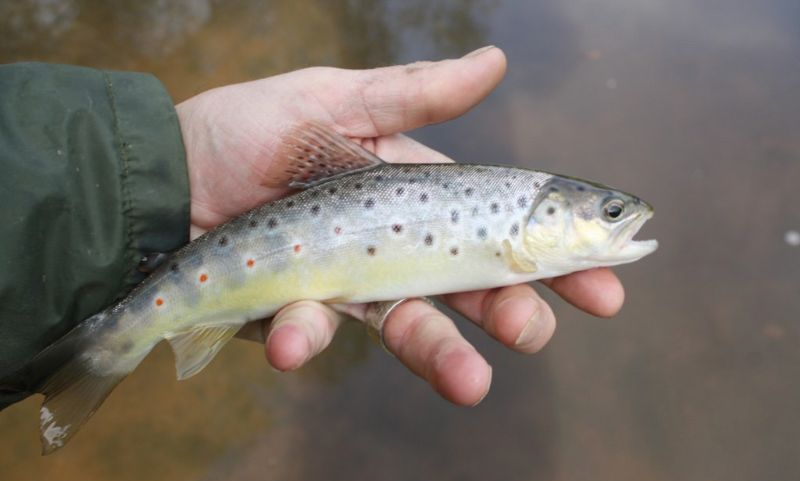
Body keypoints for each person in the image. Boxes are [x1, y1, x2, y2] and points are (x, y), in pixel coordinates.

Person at [0, 46, 624, 411]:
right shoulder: (508, 229)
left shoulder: (514, 230)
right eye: (610, 212)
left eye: (610, 212)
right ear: (543, 214)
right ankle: (99, 348)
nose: (618, 219)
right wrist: (178, 164)